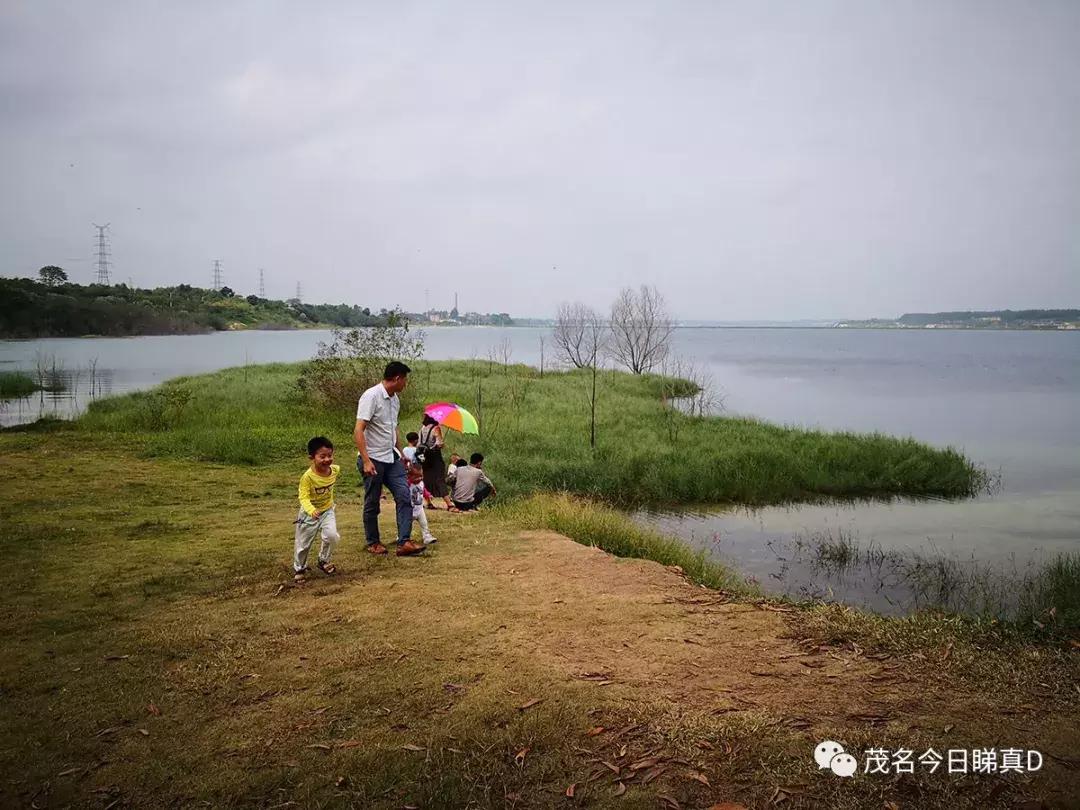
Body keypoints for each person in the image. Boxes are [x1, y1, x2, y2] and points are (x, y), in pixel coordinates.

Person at [355, 361, 426, 557]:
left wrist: (401, 453)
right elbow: (359, 430)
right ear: (397, 378)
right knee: (373, 502)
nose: (405, 384)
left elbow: (392, 428)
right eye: (405, 380)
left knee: (404, 495)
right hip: (374, 458)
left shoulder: (395, 400)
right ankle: (373, 541)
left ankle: (404, 542)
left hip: (391, 457)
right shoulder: (371, 396)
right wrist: (366, 460)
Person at [293, 436, 341, 582]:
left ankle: (323, 560)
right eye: (322, 456)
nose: (327, 459)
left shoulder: (335, 470)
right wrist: (311, 510)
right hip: (309, 514)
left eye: (330, 455)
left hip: (327, 510)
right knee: (303, 543)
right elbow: (303, 498)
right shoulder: (307, 478)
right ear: (312, 457)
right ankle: (300, 567)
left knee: (332, 536)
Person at [419, 415, 453, 510]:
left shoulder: (422, 428)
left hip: (424, 456)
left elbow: (419, 443)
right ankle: (449, 504)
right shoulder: (436, 428)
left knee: (426, 478)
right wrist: (441, 444)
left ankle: (428, 502)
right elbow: (439, 443)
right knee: (439, 478)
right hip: (435, 457)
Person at [407, 463, 438, 545]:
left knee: (424, 523)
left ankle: (427, 536)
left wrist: (428, 495)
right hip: (409, 509)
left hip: (420, 509)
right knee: (407, 525)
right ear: (409, 476)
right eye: (416, 476)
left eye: (421, 476)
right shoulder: (407, 484)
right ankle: (403, 537)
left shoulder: (421, 483)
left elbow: (423, 490)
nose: (419, 478)